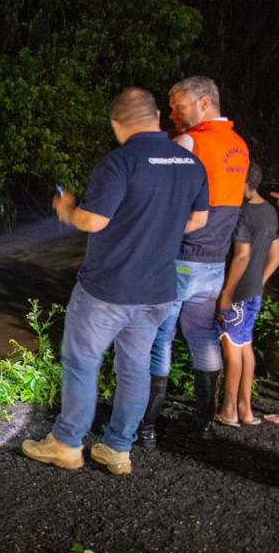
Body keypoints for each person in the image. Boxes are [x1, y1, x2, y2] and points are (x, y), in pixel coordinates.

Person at [23, 88, 208, 475]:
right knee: (136, 368)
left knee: (81, 362)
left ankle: (66, 444)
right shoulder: (191, 163)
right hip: (157, 290)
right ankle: (117, 450)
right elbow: (198, 221)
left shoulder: (119, 163)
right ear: (157, 114)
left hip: (107, 290)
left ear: (116, 124)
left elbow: (94, 221)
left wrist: (67, 209)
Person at [140, 76, 249, 444]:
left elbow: (161, 198)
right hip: (214, 265)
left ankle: (148, 425)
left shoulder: (191, 142)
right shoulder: (239, 146)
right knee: (202, 337)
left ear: (204, 103)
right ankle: (204, 423)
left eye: (179, 106)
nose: (172, 114)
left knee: (161, 337)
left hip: (180, 260)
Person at [214, 163, 278, 426]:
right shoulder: (270, 213)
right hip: (254, 291)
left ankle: (229, 410)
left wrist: (227, 294)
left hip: (238, 290)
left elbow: (241, 256)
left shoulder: (243, 213)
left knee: (232, 347)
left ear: (244, 183)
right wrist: (258, 282)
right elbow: (276, 256)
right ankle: (246, 410)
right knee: (245, 346)